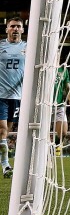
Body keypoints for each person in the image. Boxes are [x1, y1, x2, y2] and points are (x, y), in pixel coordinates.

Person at [0, 17, 26, 178]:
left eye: (18, 26)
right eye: (12, 26)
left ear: (22, 30)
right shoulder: (1, 45)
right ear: (7, 29)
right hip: (0, 95)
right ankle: (6, 166)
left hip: (17, 96)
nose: (15, 29)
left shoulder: (28, 47)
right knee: (2, 130)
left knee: (6, 132)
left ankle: (4, 163)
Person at [53, 64, 70, 156]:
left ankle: (55, 145)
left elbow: (67, 86)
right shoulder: (46, 68)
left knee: (64, 132)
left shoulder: (63, 70)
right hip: (45, 105)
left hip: (59, 104)